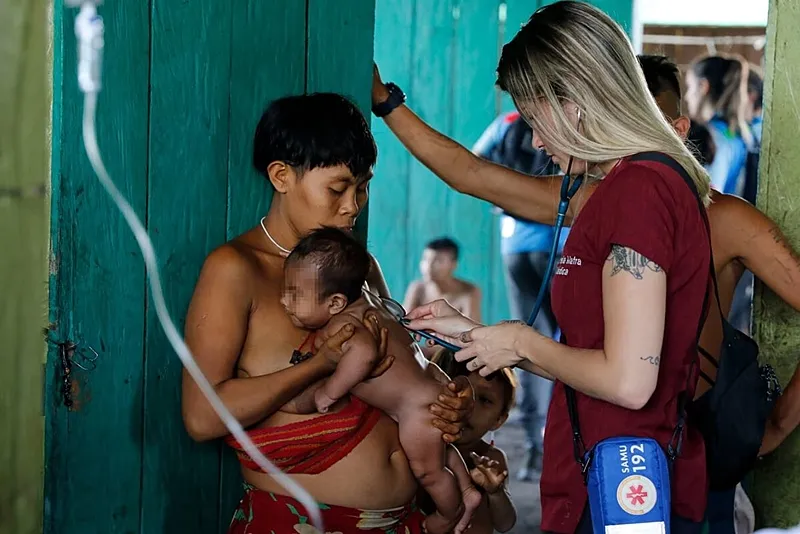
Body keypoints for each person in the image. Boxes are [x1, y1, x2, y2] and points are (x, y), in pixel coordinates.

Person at [373, 43, 800, 534]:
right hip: (591, 438)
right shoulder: (597, 201)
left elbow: (628, 380)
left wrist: (779, 425)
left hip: (686, 443)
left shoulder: (724, 219)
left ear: (679, 129)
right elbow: (471, 174)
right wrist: (386, 102)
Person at [180, 93, 475, 534]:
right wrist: (318, 366)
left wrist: (442, 401)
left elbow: (397, 376)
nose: (352, 205)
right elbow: (202, 417)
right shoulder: (237, 270)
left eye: (362, 187)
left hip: (404, 518)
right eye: (337, 189)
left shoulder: (359, 268)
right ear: (281, 176)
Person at [281, 227, 481, 534]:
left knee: (429, 472)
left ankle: (450, 513)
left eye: (294, 294)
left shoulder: (343, 323)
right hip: (432, 387)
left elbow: (362, 353)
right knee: (437, 450)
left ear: (335, 303)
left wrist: (327, 393)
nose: (284, 300)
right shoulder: (374, 304)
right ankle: (466, 488)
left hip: (416, 409)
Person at [472, 110, 561, 480]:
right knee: (566, 346)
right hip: (558, 245)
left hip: (515, 245)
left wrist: (503, 200)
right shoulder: (563, 119)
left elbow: (475, 160)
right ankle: (561, 445)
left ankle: (534, 451)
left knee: (528, 345)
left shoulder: (507, 120)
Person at [429, 349, 518, 534]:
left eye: (484, 400)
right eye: (458, 389)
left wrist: (496, 493)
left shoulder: (492, 460)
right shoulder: (416, 450)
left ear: (499, 420)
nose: (469, 405)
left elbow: (505, 524)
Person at [684, 54, 754, 197]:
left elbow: (710, 197)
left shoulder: (713, 137)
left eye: (689, 87)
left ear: (703, 86)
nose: (686, 96)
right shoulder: (739, 132)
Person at [404, 237, 482, 322]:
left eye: (438, 260)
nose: (429, 266)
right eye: (426, 259)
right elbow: (404, 323)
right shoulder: (417, 288)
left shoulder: (468, 291)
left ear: (454, 264)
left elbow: (472, 330)